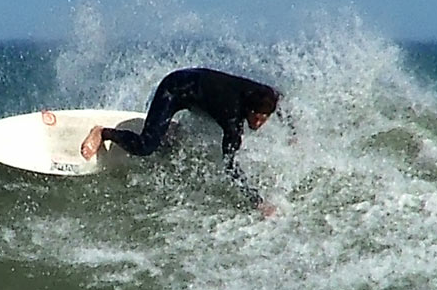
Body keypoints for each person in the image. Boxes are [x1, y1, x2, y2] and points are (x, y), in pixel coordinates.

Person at [80, 68, 288, 215]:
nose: (259, 123)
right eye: (257, 117)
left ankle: (169, 130)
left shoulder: (263, 94)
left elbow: (280, 101)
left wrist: (294, 134)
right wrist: (258, 201)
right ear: (247, 110)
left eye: (264, 118)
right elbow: (230, 165)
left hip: (199, 86)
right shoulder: (232, 118)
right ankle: (103, 133)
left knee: (172, 141)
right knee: (146, 146)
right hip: (175, 88)